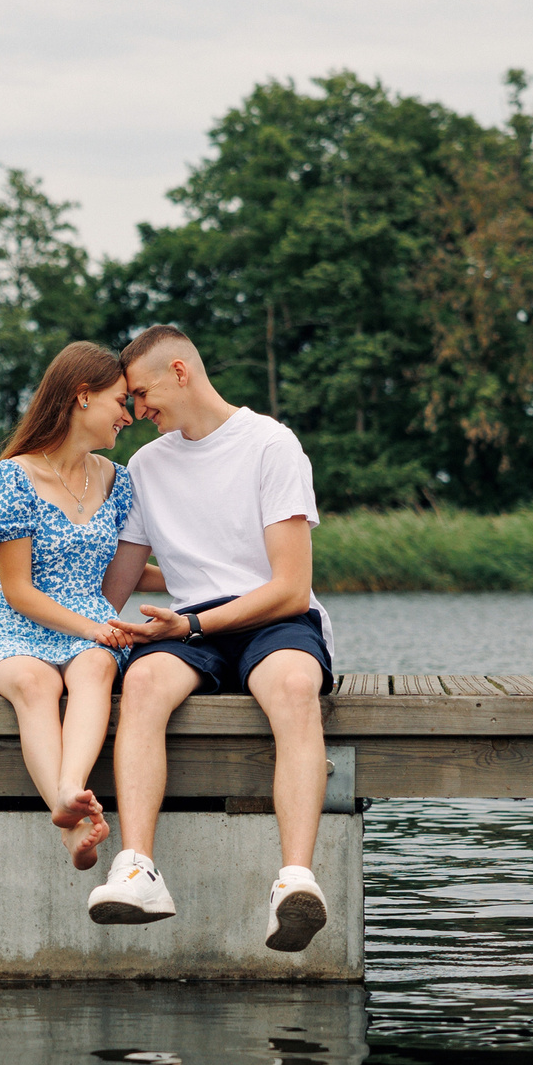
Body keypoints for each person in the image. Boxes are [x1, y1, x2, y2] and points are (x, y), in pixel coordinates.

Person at [86, 324, 335, 951]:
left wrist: (193, 623)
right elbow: (113, 586)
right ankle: (137, 869)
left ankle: (295, 881)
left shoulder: (271, 445)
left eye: (142, 394)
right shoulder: (145, 466)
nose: (139, 412)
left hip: (269, 618)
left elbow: (290, 588)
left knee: (295, 685)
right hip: (186, 624)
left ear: (180, 372)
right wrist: (17, 634)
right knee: (141, 681)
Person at [0, 341, 141, 871]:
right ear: (83, 396)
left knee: (97, 665)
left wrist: (204, 574)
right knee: (38, 683)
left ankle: (68, 792)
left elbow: (118, 571)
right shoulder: (12, 478)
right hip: (21, 623)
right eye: (120, 401)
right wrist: (94, 627)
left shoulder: (117, 480)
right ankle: (74, 823)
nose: (127, 415)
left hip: (89, 628)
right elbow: (19, 590)